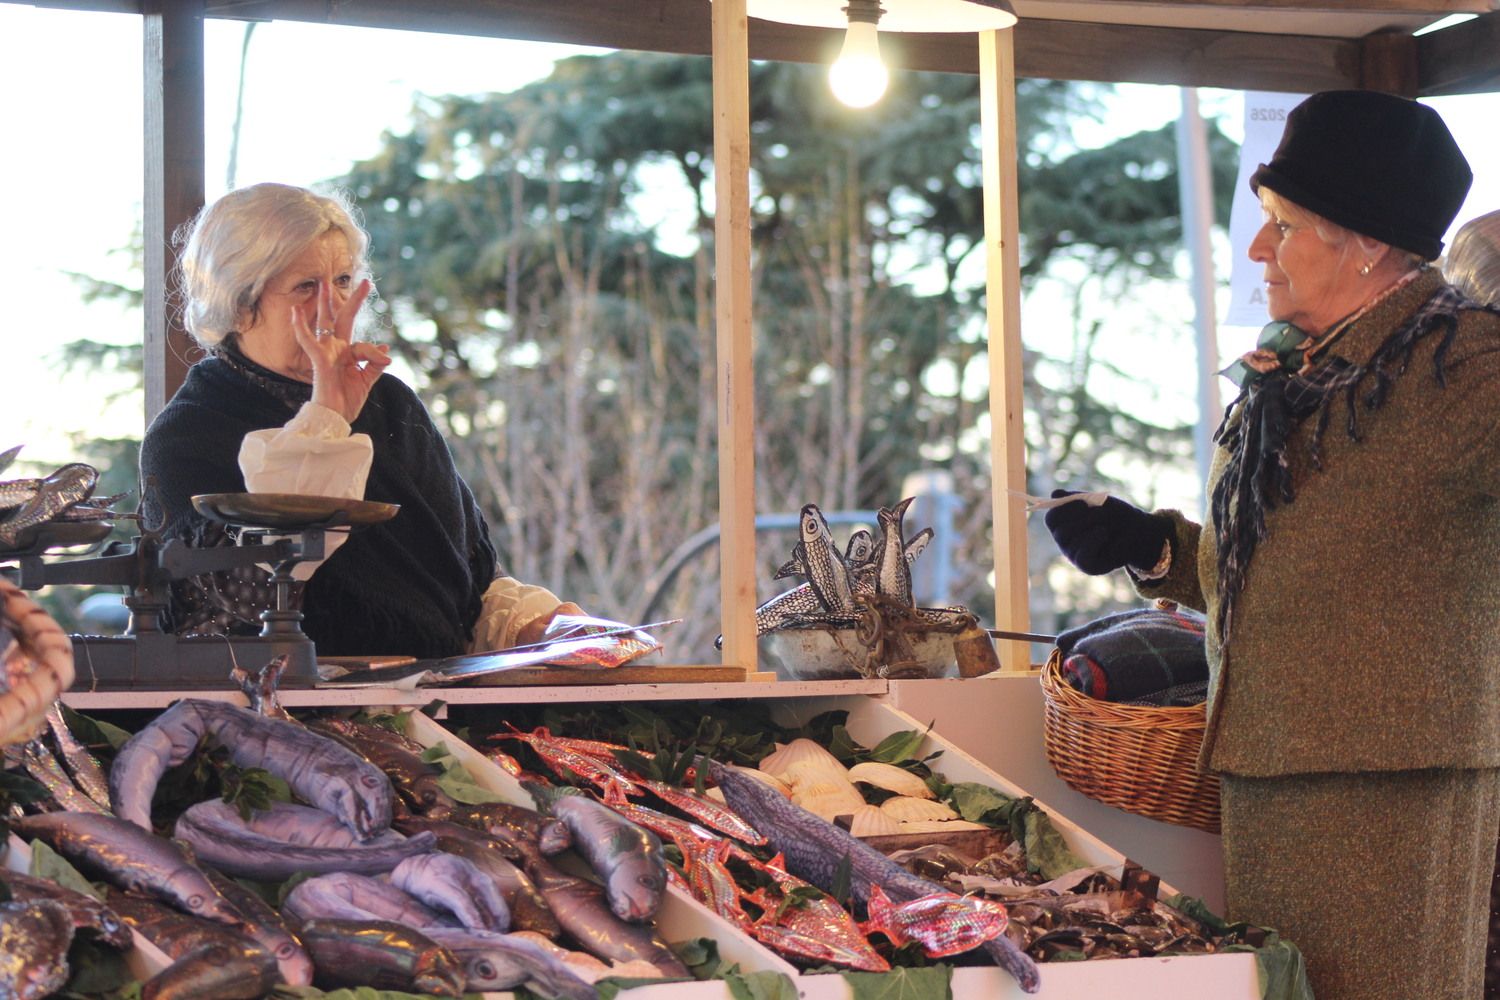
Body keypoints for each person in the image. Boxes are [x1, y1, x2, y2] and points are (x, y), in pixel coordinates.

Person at [1044, 91, 1500, 1000]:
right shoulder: (1298, 374)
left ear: (1365, 240)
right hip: (1269, 770)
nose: (1258, 251)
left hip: (1393, 785)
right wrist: (1152, 546)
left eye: (1283, 226)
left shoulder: (1468, 368)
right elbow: (1297, 567)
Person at [141, 182, 582, 658]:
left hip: (437, 699)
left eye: (344, 281)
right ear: (239, 304)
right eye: (307, 287)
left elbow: (467, 583)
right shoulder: (187, 434)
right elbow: (244, 602)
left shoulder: (391, 404)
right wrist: (327, 417)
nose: (332, 308)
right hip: (286, 712)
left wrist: (543, 626)